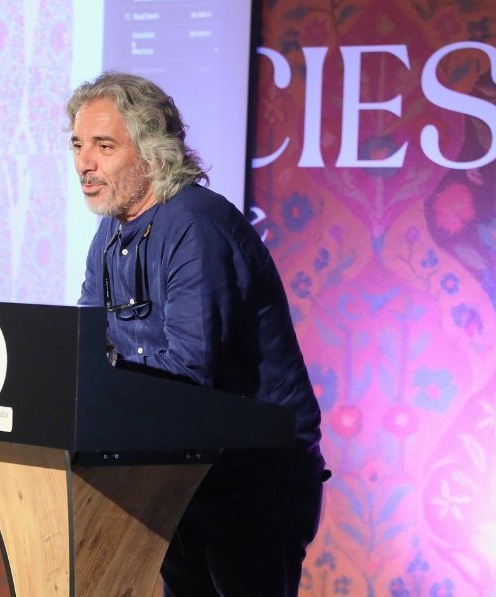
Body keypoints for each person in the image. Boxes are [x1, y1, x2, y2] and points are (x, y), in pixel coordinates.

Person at [67, 72, 327, 597]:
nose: (83, 163)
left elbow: (189, 369)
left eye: (104, 146)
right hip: (178, 473)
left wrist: (105, 377)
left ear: (152, 154)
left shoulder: (196, 225)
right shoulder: (110, 230)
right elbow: (86, 343)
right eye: (77, 145)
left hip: (253, 482)